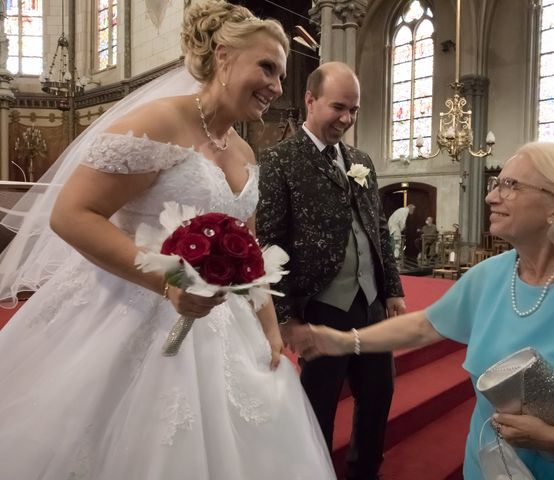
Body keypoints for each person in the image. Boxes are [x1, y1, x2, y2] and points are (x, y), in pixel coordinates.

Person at [0, 2, 336, 479]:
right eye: (266, 67)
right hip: (129, 310)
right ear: (223, 55)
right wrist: (170, 279)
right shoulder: (158, 122)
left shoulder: (242, 150)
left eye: (281, 76)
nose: (276, 87)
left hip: (226, 326)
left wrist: (269, 328)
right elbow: (72, 215)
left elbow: (249, 249)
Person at [291, 141, 554, 479]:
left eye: (510, 185)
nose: (491, 196)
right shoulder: (491, 274)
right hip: (489, 465)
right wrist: (343, 341)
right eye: (496, 183)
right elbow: (425, 325)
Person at [257, 61, 405, 480]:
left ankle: (364, 473)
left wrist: (391, 287)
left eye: (354, 110)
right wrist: (286, 317)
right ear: (309, 99)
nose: (347, 118)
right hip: (320, 305)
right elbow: (268, 242)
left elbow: (377, 227)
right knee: (318, 404)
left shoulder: (361, 161)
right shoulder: (280, 161)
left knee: (379, 393)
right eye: (338, 107)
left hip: (372, 302)